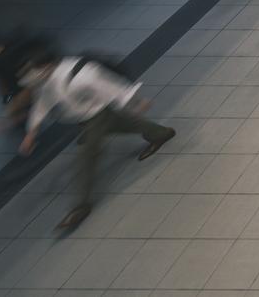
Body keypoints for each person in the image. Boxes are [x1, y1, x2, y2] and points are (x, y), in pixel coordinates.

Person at [19, 52, 175, 231]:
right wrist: (32, 132)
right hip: (86, 118)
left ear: (47, 66)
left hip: (96, 115)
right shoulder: (46, 82)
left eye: (34, 70)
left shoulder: (81, 75)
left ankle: (80, 206)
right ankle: (161, 133)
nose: (32, 76)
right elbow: (42, 103)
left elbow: (111, 87)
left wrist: (137, 102)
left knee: (86, 158)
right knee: (125, 124)